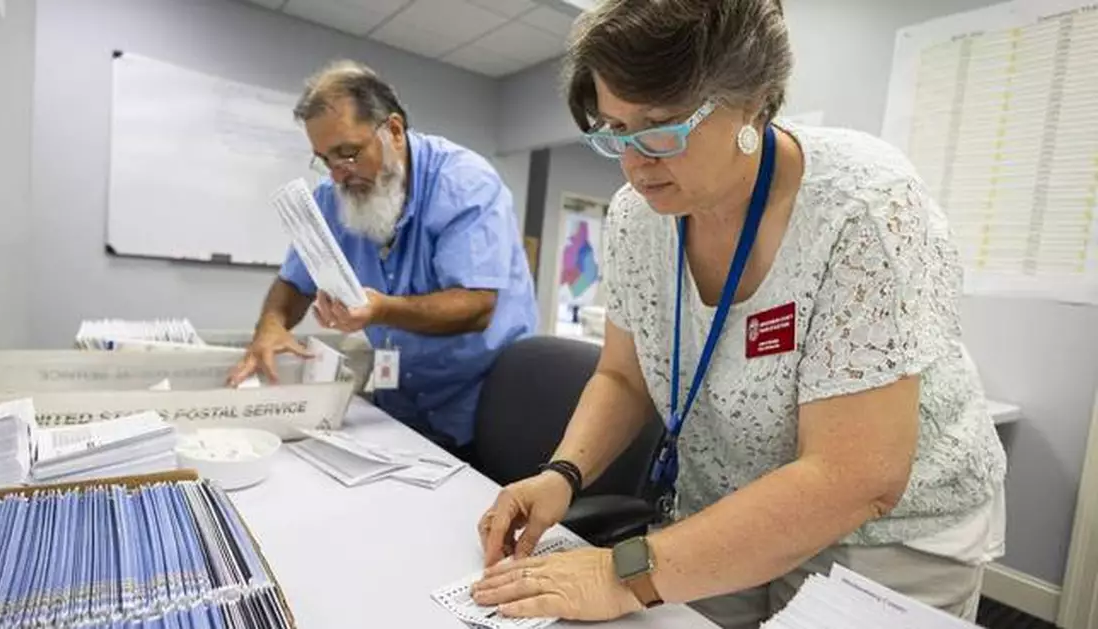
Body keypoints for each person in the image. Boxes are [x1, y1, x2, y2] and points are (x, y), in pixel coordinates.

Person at [471, 1, 1007, 626]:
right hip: (723, 504)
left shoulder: (866, 206)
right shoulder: (634, 216)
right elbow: (623, 375)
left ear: (754, 101)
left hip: (886, 533)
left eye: (660, 127)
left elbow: (857, 476)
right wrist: (563, 475)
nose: (633, 162)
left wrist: (620, 574)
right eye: (612, 129)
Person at [228, 60, 538, 463]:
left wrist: (380, 309)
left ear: (392, 130)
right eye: (325, 160)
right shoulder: (331, 197)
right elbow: (293, 283)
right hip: (401, 402)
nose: (338, 175)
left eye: (348, 154)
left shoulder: (465, 183)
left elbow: (476, 306)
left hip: (483, 404)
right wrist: (270, 327)